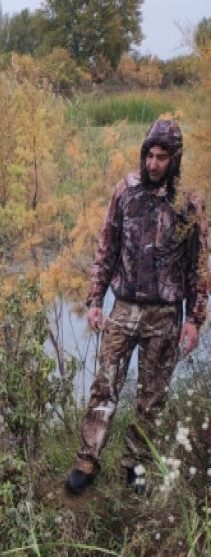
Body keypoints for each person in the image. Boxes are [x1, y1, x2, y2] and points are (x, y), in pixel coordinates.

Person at [66, 117, 208, 495]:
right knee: (104, 385)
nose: (153, 164)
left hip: (165, 313)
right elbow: (106, 248)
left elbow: (199, 266)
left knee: (152, 397)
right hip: (123, 308)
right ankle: (88, 458)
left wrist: (195, 319)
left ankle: (135, 465)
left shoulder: (188, 203)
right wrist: (96, 299)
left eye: (162, 157)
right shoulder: (125, 192)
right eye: (149, 155)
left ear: (175, 159)